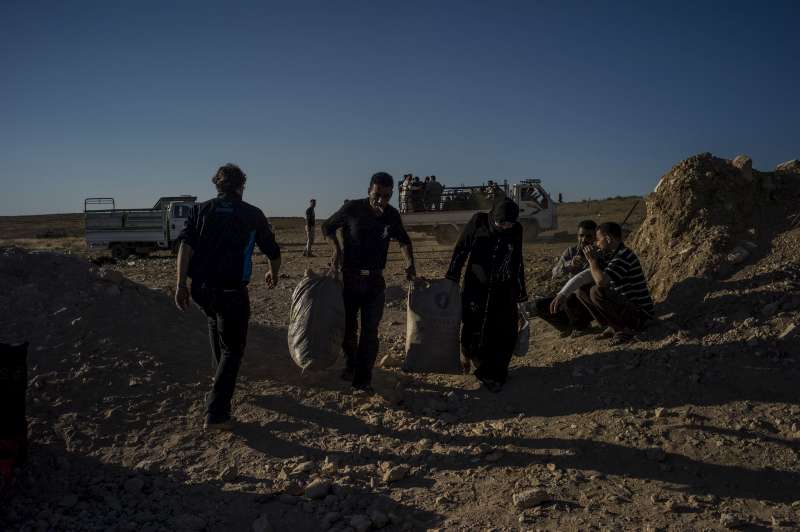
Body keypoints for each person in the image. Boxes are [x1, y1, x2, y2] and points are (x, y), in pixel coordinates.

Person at [175, 163, 281, 431]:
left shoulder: (200, 210)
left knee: (215, 327)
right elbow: (272, 250)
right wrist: (273, 272)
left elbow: (185, 248)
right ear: (240, 186)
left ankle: (218, 387)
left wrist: (180, 284)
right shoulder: (252, 213)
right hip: (232, 291)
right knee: (233, 348)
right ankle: (217, 411)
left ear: (217, 186)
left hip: (201, 289)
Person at [322, 172, 416, 393]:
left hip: (375, 281)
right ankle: (351, 363)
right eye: (377, 195)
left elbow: (404, 240)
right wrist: (336, 249)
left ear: (391, 194)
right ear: (368, 191)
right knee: (347, 328)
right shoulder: (352, 209)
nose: (381, 200)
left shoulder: (391, 215)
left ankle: (363, 381)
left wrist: (410, 264)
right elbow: (327, 227)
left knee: (370, 332)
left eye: (386, 196)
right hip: (350, 278)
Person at [445, 198, 528, 392]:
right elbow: (461, 249)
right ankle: (471, 356)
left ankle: (495, 373)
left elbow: (517, 260)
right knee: (474, 325)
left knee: (506, 330)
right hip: (477, 284)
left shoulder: (516, 230)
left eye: (510, 223)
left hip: (504, 286)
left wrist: (521, 292)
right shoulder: (478, 221)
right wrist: (451, 278)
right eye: (501, 223)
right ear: (493, 217)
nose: (505, 227)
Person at [575, 221, 654, 344]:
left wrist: (592, 261)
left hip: (640, 314)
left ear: (608, 239)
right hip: (626, 306)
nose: (596, 243)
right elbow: (588, 276)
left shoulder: (624, 255)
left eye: (598, 239)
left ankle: (624, 329)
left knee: (596, 291)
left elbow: (601, 282)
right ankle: (613, 326)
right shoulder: (610, 254)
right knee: (582, 291)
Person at [533, 220, 598, 337]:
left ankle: (581, 325)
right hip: (567, 296)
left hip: (587, 299)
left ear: (595, 237)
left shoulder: (598, 252)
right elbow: (555, 273)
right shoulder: (571, 251)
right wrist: (569, 266)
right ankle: (568, 327)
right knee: (538, 306)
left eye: (588, 236)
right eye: (581, 236)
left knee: (576, 293)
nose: (583, 239)